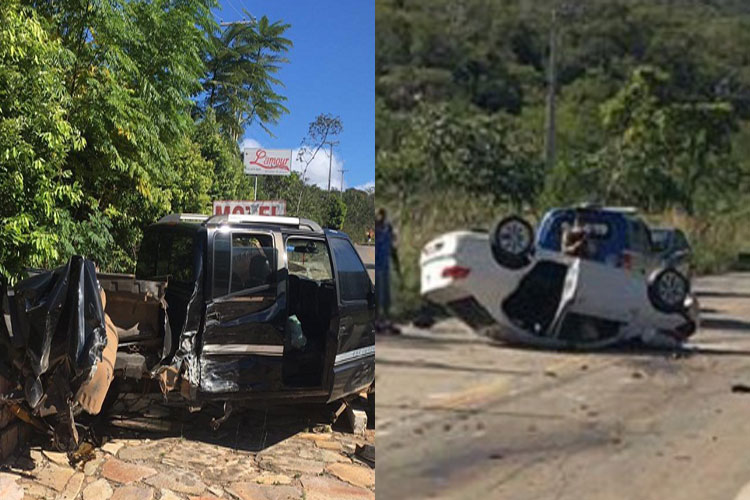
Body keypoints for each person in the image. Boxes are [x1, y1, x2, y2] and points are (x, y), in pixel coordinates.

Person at [375, 208, 399, 334]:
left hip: (385, 267)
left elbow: (392, 249)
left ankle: (385, 319)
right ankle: (378, 320)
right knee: (378, 295)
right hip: (378, 266)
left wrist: (397, 266)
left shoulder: (388, 230)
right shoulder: (377, 230)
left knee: (386, 296)